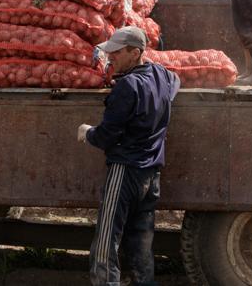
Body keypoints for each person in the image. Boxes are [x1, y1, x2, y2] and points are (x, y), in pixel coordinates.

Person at [77, 26, 181, 286]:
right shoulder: (162, 76)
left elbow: (106, 136)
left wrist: (87, 132)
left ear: (135, 53)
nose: (111, 56)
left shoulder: (128, 86)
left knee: (106, 240)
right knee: (141, 239)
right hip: (151, 176)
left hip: (125, 172)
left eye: (117, 52)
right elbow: (175, 82)